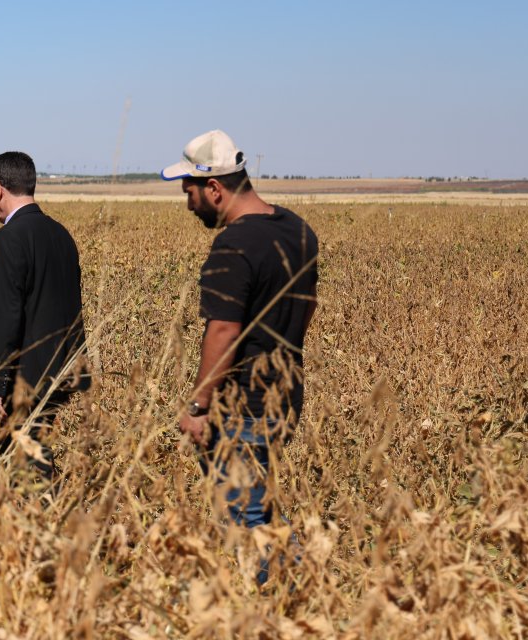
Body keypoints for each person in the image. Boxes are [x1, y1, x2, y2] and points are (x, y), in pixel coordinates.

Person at [163, 129, 319, 584]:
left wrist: (199, 404)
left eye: (189, 191)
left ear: (214, 188)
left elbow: (225, 329)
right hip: (285, 393)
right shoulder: (297, 230)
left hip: (244, 403)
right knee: (259, 503)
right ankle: (296, 593)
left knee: (247, 515)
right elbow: (307, 308)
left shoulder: (232, 246)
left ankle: (277, 601)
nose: (188, 203)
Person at [0, 151, 89, 480]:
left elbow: (7, 315)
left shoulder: (10, 237)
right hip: (58, 372)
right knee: (33, 459)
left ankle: (48, 523)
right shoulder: (61, 235)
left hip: (24, 380)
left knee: (24, 473)